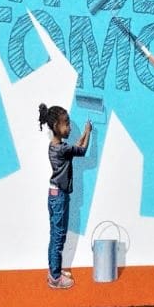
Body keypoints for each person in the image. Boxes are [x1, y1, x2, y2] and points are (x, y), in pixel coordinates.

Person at [38, 103, 91, 290]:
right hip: (59, 196)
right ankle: (55, 278)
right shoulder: (62, 149)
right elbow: (82, 150)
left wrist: (83, 135)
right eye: (66, 124)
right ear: (55, 127)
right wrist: (89, 132)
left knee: (55, 235)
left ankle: (55, 270)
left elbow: (75, 148)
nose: (69, 128)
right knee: (59, 236)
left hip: (53, 194)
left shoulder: (56, 147)